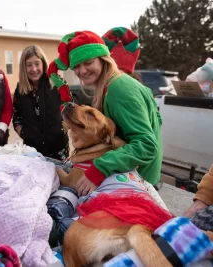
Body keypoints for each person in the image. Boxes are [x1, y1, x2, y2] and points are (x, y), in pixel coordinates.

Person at [47, 31, 162, 196]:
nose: (82, 71)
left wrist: (100, 168)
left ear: (103, 59)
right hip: (134, 177)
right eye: (77, 66)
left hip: (137, 185)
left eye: (88, 62)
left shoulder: (119, 89)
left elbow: (147, 145)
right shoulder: (110, 86)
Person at [13, 45, 69, 160]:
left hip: (59, 150)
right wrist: (23, 132)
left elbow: (70, 110)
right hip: (32, 152)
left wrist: (62, 129)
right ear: (24, 67)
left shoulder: (57, 84)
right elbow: (16, 116)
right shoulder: (20, 90)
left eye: (37, 63)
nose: (34, 69)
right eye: (29, 65)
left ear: (43, 63)